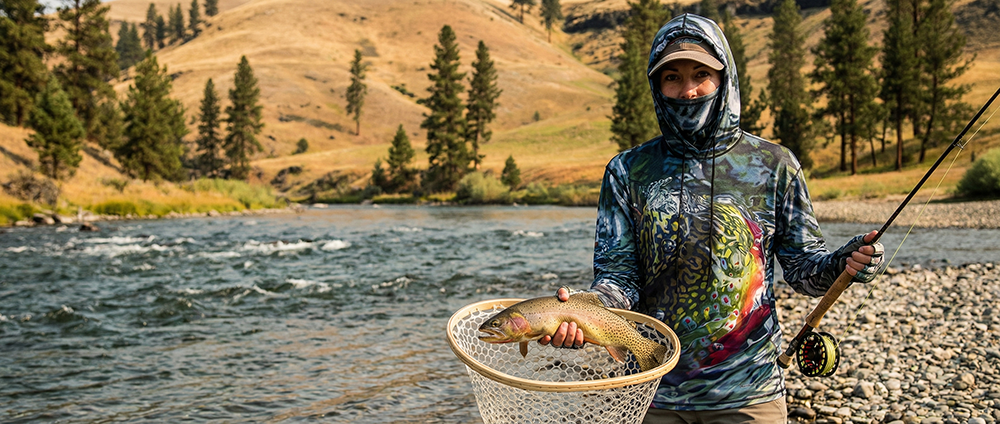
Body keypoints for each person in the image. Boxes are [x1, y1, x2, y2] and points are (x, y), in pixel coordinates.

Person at [539, 13, 886, 423]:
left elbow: (803, 271)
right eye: (672, 77)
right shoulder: (626, 171)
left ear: (725, 79)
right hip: (649, 391)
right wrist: (583, 312)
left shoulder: (774, 165)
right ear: (656, 84)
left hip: (749, 390)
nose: (688, 91)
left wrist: (844, 264)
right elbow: (619, 278)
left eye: (701, 74)